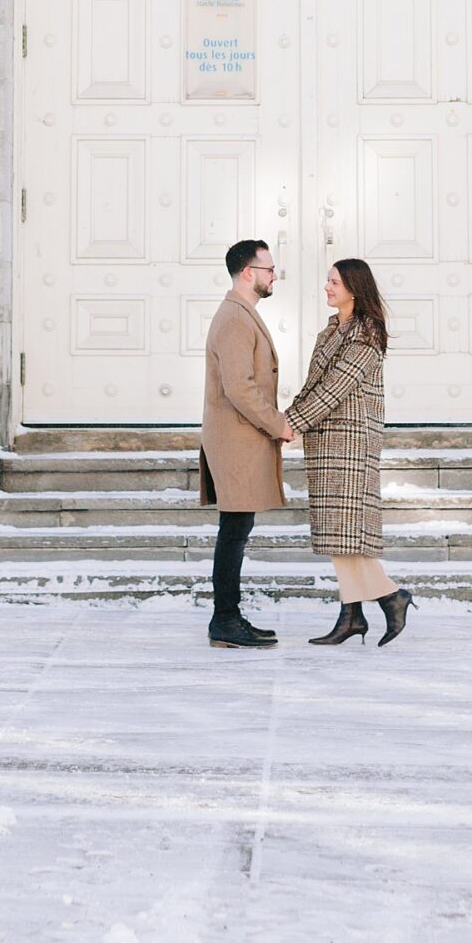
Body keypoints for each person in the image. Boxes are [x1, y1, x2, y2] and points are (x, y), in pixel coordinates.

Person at [287, 257, 413, 647]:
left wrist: (291, 423)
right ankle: (352, 614)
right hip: (328, 440)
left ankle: (392, 596)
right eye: (327, 280)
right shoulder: (332, 330)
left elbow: (335, 388)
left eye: (334, 283)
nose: (326, 287)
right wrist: (288, 417)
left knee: (346, 531)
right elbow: (314, 385)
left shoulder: (367, 333)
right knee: (339, 534)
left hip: (350, 441)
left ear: (355, 288)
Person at [199, 238, 295, 650]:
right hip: (236, 441)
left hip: (238, 439)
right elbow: (240, 387)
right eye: (269, 269)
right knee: (234, 530)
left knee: (236, 529)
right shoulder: (236, 318)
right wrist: (279, 424)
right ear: (248, 273)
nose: (274, 276)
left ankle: (227, 618)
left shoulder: (241, 314)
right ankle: (225, 619)